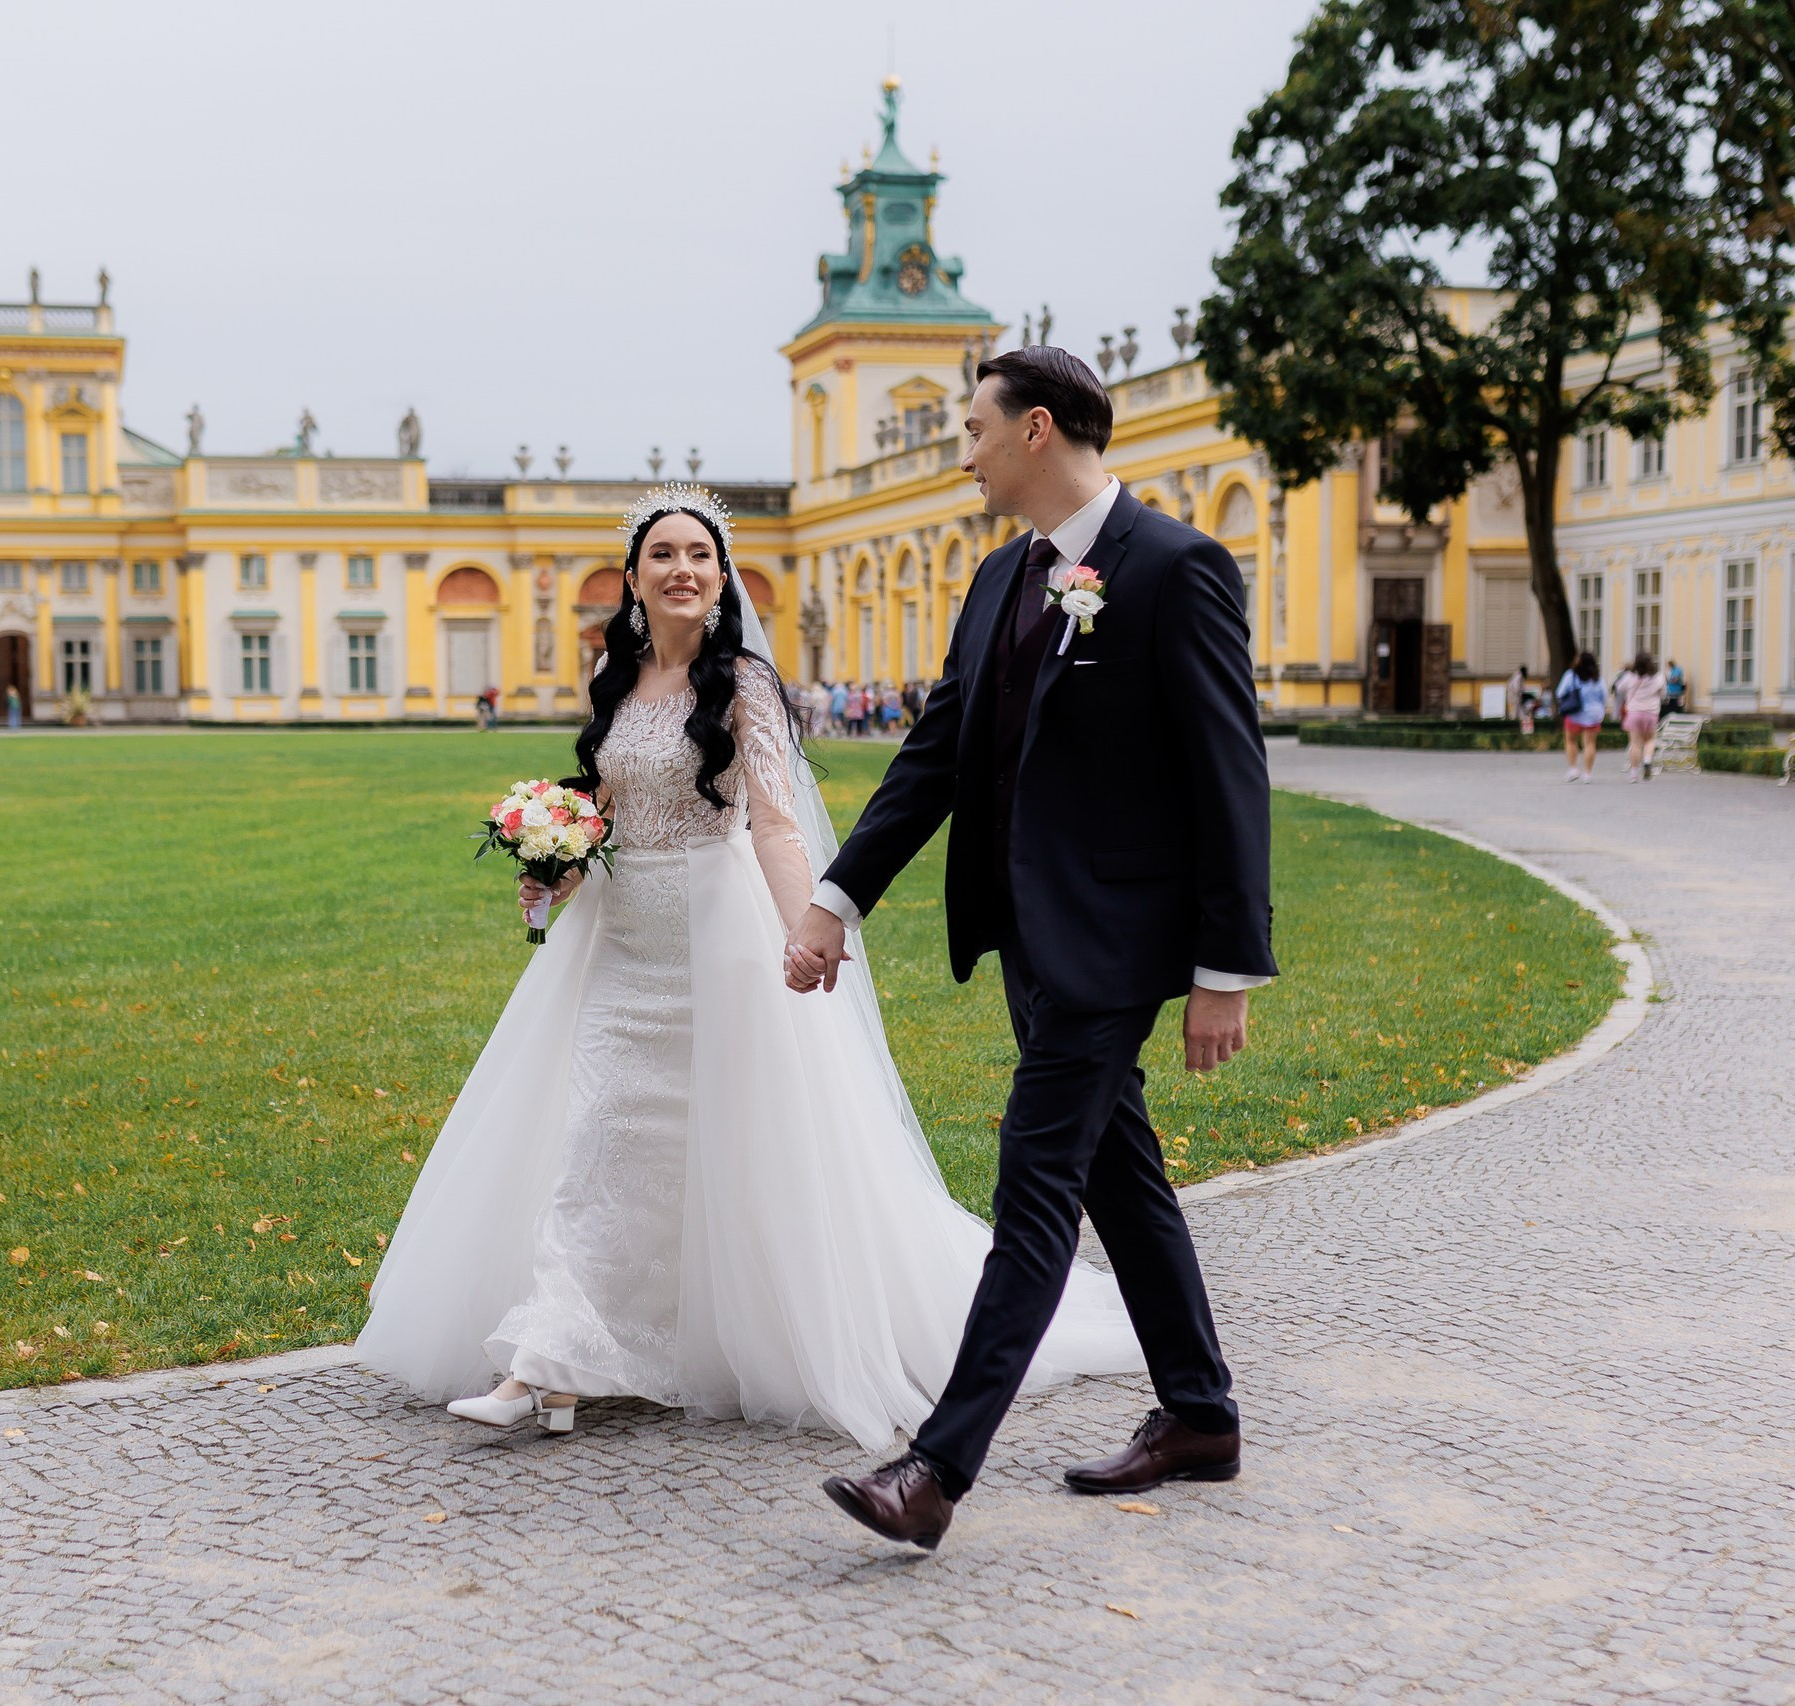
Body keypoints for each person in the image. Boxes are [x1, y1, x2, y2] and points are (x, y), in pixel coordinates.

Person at [359, 484, 1141, 1453]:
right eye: (662, 556)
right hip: (618, 940)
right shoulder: (615, 669)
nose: (681, 569)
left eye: (699, 554)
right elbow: (599, 794)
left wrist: (803, 926)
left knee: (714, 1144)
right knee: (594, 1134)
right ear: (635, 578)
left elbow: (772, 822)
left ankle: (569, 1362)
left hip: (714, 935)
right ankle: (548, 1361)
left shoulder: (748, 686)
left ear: (721, 576)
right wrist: (551, 862)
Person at [790, 346, 1273, 1550]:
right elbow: (935, 759)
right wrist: (836, 896)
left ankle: (935, 1469)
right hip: (1024, 935)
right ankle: (1201, 1415)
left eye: (972, 429)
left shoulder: (1174, 565)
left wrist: (1225, 970)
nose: (959, 450)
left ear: (1037, 431)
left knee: (1037, 1181)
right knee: (1119, 1171)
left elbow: (1231, 777)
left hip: (1116, 941)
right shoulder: (1000, 576)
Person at [1614, 652, 1665, 780]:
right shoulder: (1658, 677)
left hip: (1634, 712)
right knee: (1650, 740)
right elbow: (1664, 694)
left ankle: (1634, 774)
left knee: (1635, 743)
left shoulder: (1630, 676)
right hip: (1651, 713)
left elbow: (1619, 688)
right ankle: (1647, 761)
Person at [1554, 650, 1605, 782]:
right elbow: (1604, 696)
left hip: (1574, 713)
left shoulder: (1571, 675)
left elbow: (1560, 693)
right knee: (1590, 744)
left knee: (1571, 741)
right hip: (1594, 714)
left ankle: (1573, 769)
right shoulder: (1597, 678)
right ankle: (1587, 774)